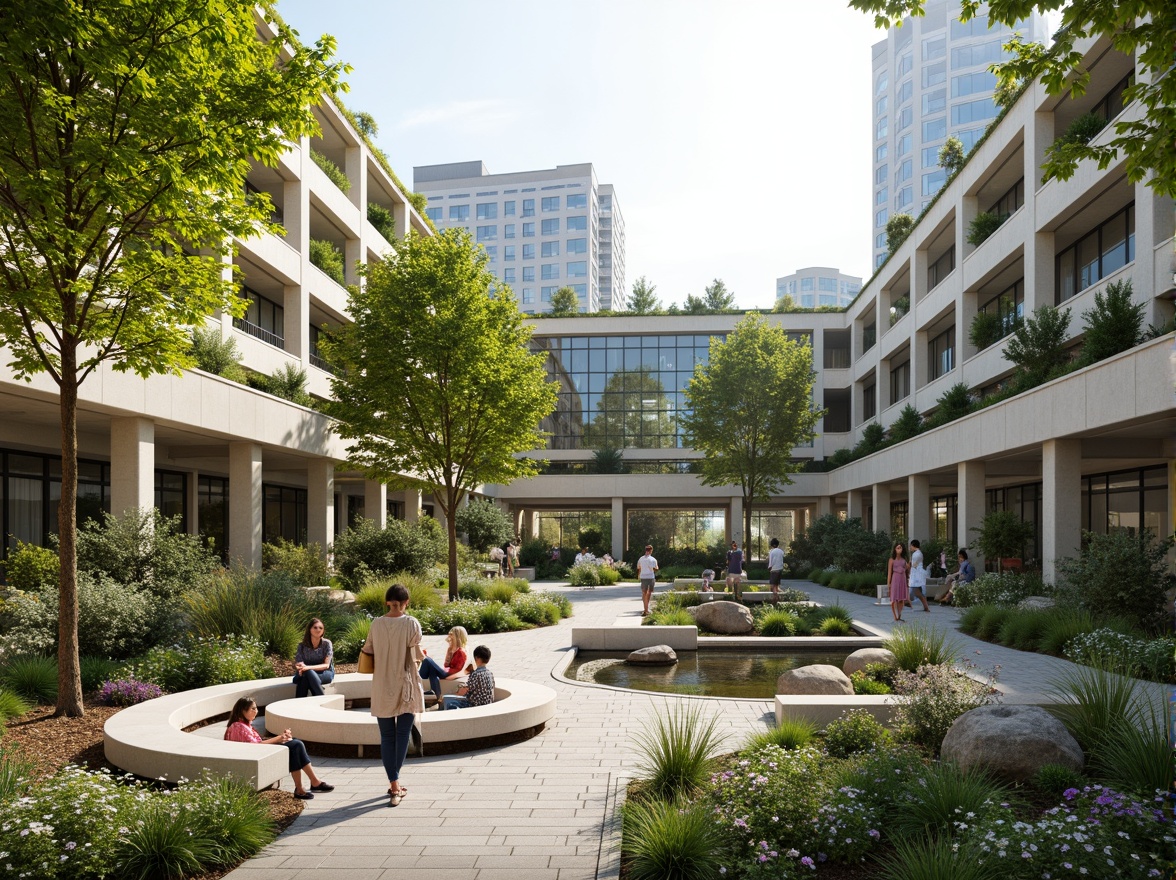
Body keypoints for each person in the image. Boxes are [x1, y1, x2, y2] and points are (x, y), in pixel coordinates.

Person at [360, 583, 425, 807]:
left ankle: (394, 783)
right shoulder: (411, 623)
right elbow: (416, 651)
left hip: (381, 685)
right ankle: (396, 785)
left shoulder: (376, 624)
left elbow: (368, 650)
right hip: (405, 684)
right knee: (402, 734)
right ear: (406, 602)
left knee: (387, 737)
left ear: (387, 601)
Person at [224, 696, 334, 799]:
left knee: (294, 743)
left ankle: (308, 784)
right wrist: (278, 739)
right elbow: (254, 746)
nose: (256, 711)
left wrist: (282, 738)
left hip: (257, 754)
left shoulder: (243, 725)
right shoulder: (238, 726)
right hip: (253, 758)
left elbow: (256, 743)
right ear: (243, 711)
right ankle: (309, 785)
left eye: (256, 708)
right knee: (295, 745)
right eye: (252, 709)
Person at [419, 625, 468, 708]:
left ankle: (419, 677)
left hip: (450, 673)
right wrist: (450, 652)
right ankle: (437, 698)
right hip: (446, 671)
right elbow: (446, 664)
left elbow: (458, 669)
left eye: (451, 634)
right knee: (432, 671)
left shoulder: (461, 652)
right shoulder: (451, 649)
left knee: (426, 659)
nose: (449, 636)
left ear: (457, 636)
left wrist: (450, 675)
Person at [441, 645, 495, 710]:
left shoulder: (475, 674)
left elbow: (463, 692)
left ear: (476, 658)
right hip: (487, 705)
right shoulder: (490, 674)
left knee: (446, 700)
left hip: (474, 706)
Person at [293, 618, 334, 697]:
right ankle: (321, 698)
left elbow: (326, 665)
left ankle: (298, 706)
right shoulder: (301, 646)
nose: (318, 629)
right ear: (309, 629)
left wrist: (308, 668)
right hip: (304, 672)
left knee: (306, 676)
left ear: (323, 631)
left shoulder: (327, 643)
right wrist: (304, 668)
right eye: (315, 627)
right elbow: (299, 664)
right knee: (307, 676)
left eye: (320, 628)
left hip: (325, 672)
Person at [886, 542, 909, 623]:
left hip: (902, 578)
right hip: (895, 579)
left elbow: (907, 570)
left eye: (900, 548)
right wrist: (888, 584)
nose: (899, 549)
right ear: (895, 549)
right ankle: (895, 616)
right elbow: (889, 573)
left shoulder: (904, 560)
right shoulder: (891, 560)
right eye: (897, 548)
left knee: (901, 599)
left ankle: (899, 615)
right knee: (894, 599)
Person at [908, 539, 930, 613]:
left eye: (911, 545)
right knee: (918, 593)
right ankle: (925, 606)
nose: (910, 547)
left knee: (912, 592)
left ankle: (904, 604)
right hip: (916, 575)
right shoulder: (917, 553)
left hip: (917, 575)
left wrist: (910, 569)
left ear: (913, 545)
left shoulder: (917, 554)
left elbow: (914, 565)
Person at [636, 544, 658, 616]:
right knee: (649, 593)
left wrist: (638, 576)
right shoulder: (653, 559)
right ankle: (646, 609)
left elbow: (639, 568)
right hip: (651, 577)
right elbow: (656, 569)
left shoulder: (641, 559)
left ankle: (645, 609)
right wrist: (654, 568)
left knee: (644, 593)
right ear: (651, 551)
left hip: (643, 577)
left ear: (645, 550)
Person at [767, 537, 785, 603]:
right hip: (780, 569)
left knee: (773, 586)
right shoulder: (781, 551)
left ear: (772, 545)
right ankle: (779, 598)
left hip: (774, 570)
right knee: (777, 585)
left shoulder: (771, 552)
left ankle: (775, 599)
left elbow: (771, 561)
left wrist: (769, 567)